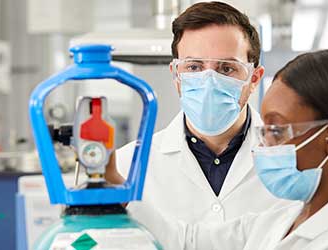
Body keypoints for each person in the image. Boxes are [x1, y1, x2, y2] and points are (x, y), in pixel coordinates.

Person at [127, 49, 328, 250]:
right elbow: (187, 241)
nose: (264, 145)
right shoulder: (287, 217)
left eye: (277, 130)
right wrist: (116, 190)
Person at [106, 1, 290, 224]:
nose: (209, 81)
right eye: (194, 67)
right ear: (176, 75)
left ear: (254, 78)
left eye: (226, 68)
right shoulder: (127, 166)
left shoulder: (290, 162)